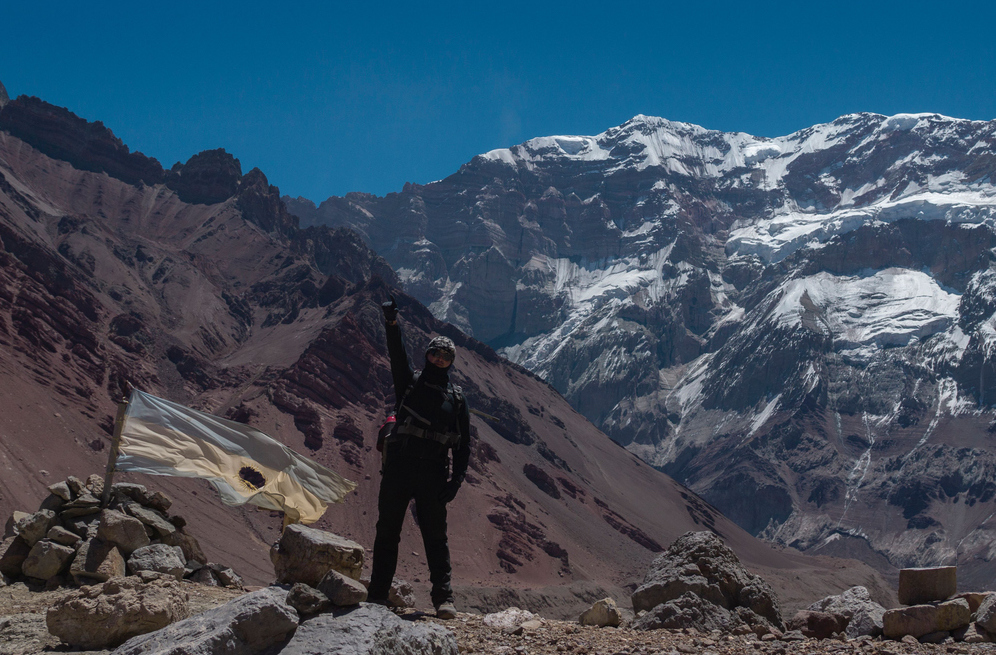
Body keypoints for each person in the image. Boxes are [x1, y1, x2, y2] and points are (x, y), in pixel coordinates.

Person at [367, 296, 471, 619]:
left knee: (435, 538)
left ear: (451, 363)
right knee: (387, 531)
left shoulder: (456, 399)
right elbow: (396, 353)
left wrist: (456, 481)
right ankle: (377, 595)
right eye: (434, 354)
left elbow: (464, 444)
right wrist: (391, 323)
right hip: (399, 468)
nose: (439, 360)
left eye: (445, 357)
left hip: (434, 475)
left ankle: (444, 599)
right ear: (426, 355)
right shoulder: (409, 382)